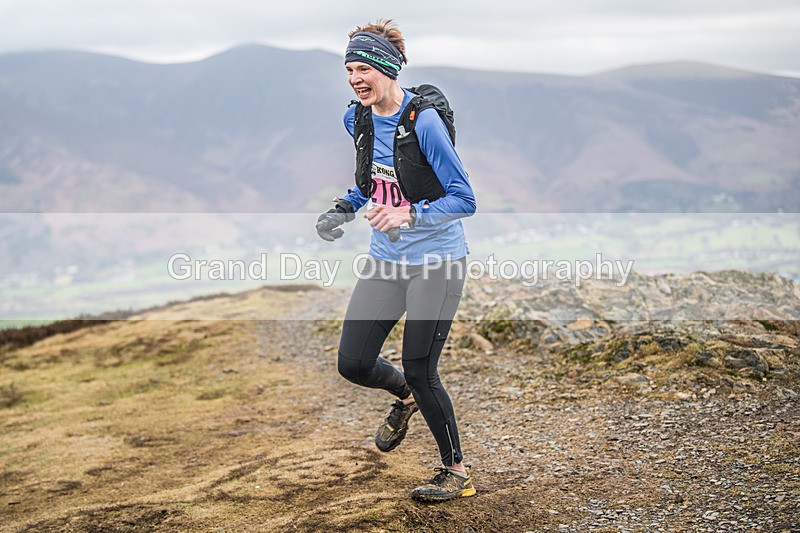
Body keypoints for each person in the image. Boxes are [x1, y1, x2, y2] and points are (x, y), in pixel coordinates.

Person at [315, 19, 477, 502]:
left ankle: (456, 472)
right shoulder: (357, 119)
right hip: (386, 260)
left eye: (363, 68)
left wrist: (407, 215)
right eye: (348, 70)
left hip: (437, 262)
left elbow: (463, 198)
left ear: (387, 68)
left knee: (422, 367)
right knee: (354, 362)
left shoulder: (421, 122)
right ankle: (405, 398)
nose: (354, 79)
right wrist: (343, 208)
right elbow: (370, 184)